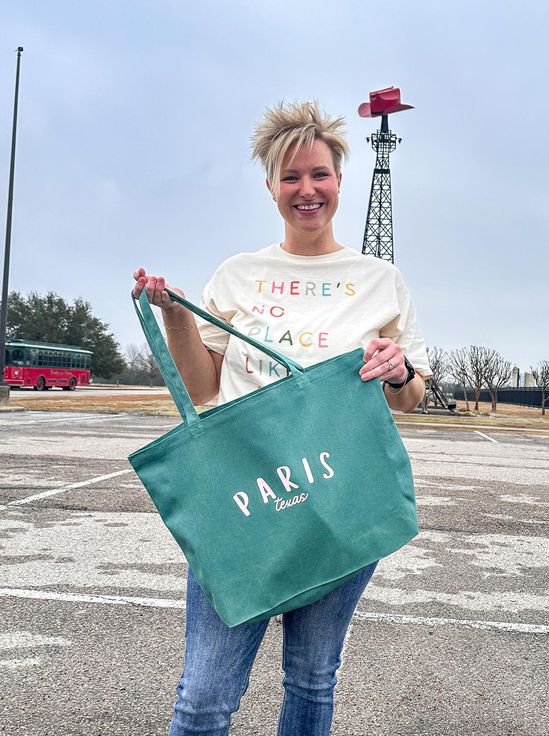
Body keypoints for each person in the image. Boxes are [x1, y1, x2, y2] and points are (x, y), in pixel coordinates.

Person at [132, 100, 431, 736]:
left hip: (338, 502)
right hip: (245, 502)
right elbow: (201, 384)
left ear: (340, 182)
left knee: (313, 680)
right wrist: (175, 314)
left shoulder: (380, 280)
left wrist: (399, 371)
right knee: (205, 696)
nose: (307, 190)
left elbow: (410, 400)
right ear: (271, 187)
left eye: (319, 174)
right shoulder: (239, 275)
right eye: (291, 177)